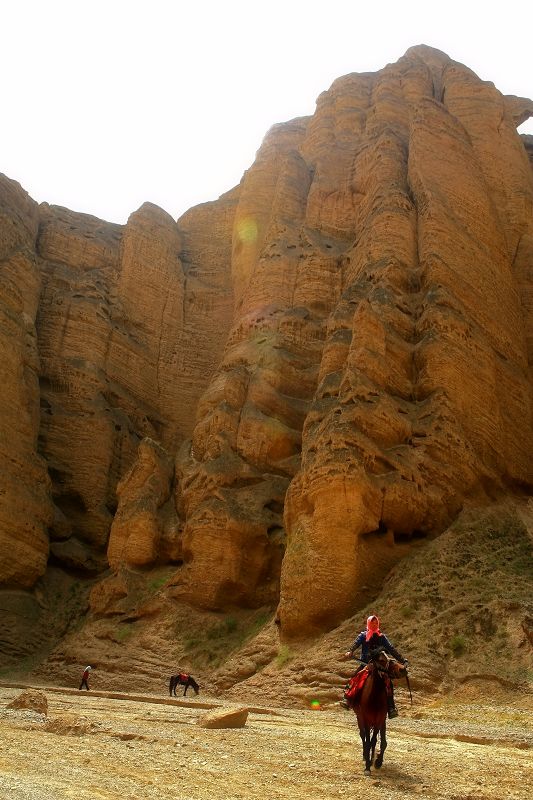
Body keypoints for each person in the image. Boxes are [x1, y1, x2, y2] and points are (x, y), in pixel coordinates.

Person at [344, 614, 407, 718]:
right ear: (368, 623)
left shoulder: (382, 637)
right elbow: (355, 644)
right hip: (366, 664)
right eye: (372, 623)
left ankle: (391, 707)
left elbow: (391, 649)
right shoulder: (363, 635)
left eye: (376, 623)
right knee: (355, 677)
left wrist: (402, 660)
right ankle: (347, 700)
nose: (374, 624)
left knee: (388, 683)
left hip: (380, 665)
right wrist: (350, 651)